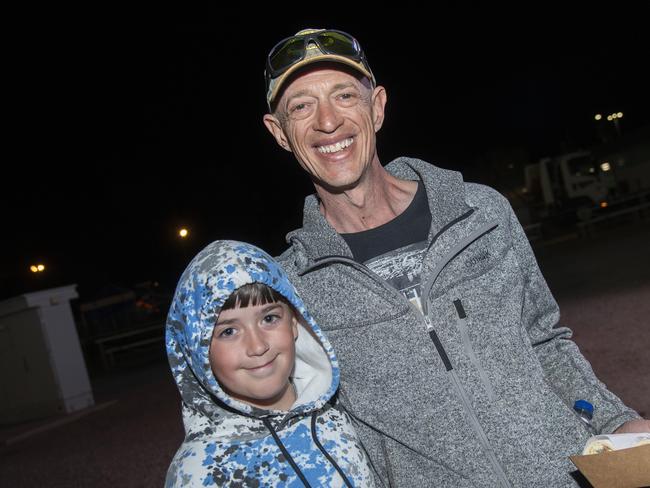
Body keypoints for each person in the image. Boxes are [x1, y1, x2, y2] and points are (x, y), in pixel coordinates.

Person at [262, 28, 650, 487]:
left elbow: (544, 339)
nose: (328, 121)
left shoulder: (481, 211)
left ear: (377, 106)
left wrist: (614, 422)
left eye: (345, 95)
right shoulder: (290, 284)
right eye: (301, 106)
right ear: (280, 133)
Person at [165, 240, 375, 487]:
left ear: (295, 321)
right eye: (229, 331)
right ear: (197, 353)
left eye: (269, 318)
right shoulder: (197, 473)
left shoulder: (341, 412)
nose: (257, 346)